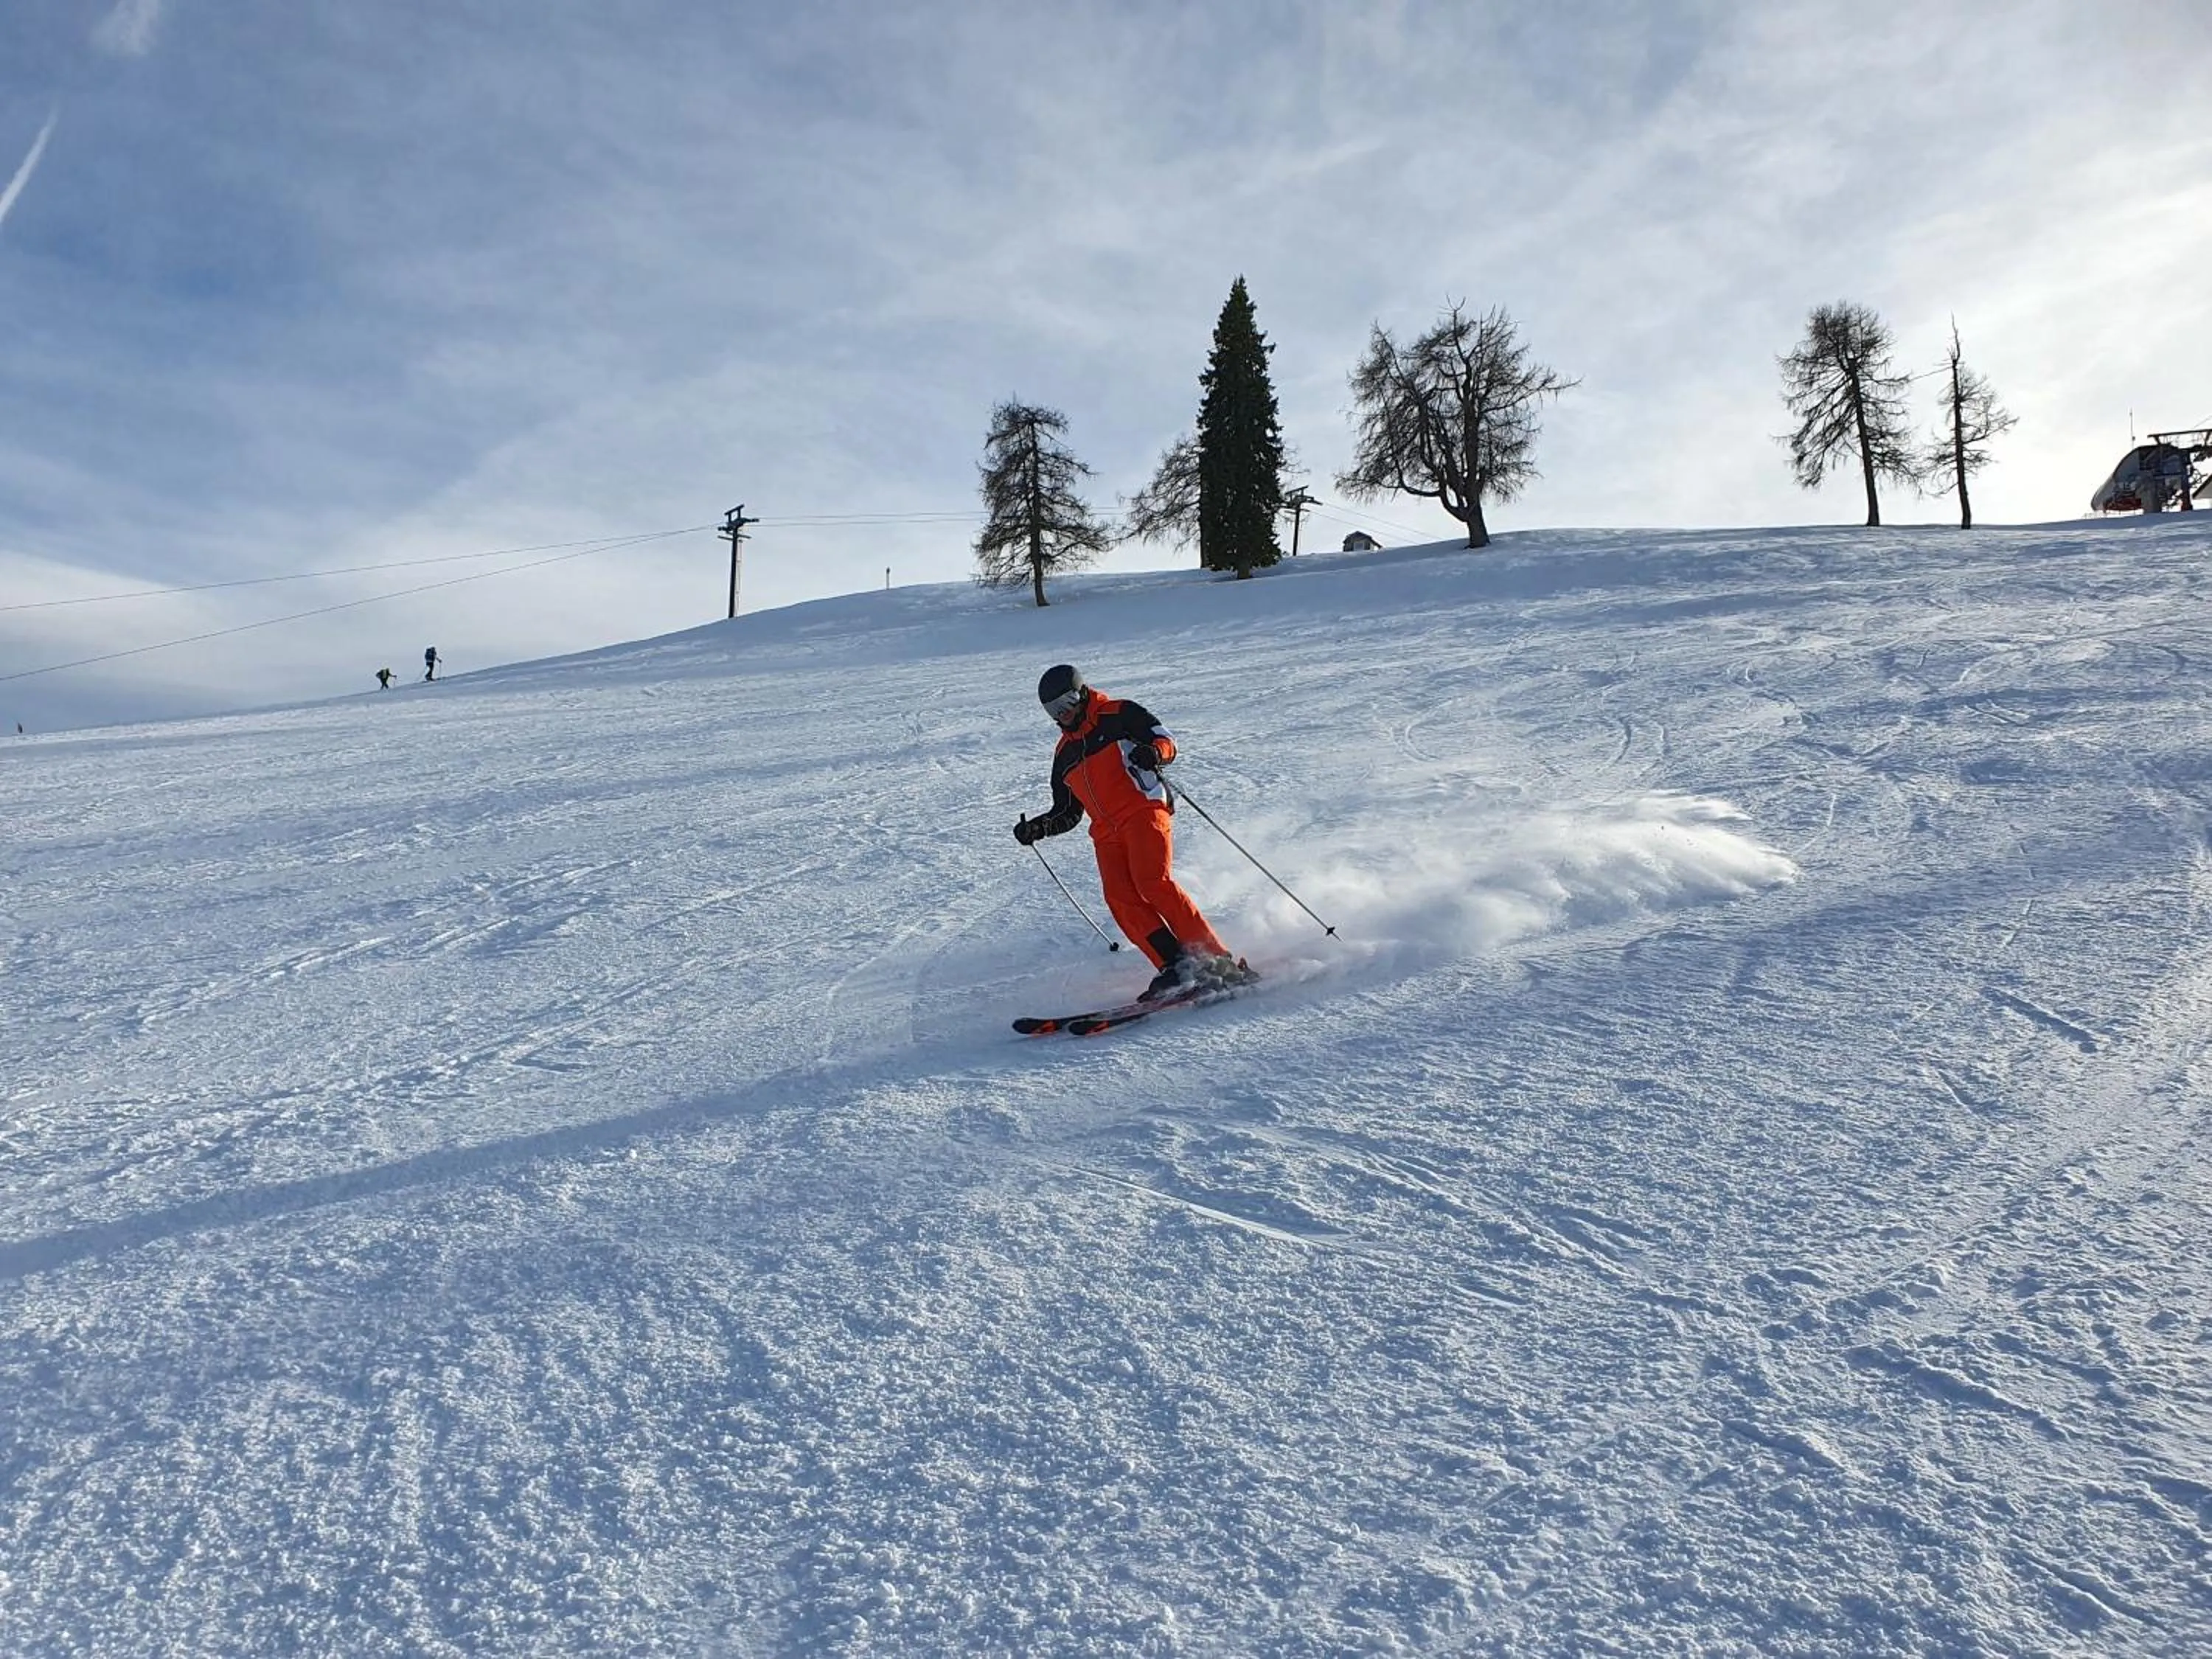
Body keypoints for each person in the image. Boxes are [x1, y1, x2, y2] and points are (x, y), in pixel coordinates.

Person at [1015, 664, 1251, 1000]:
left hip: (1142, 810)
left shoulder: (1119, 714)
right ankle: (1175, 964)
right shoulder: (1064, 755)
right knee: (1120, 898)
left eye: (1066, 703)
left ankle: (1215, 960)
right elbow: (1067, 813)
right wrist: (1037, 827)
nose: (1062, 715)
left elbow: (1166, 740)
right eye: (1053, 710)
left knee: (1152, 881)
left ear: (1081, 692)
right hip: (1106, 834)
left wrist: (1153, 753)